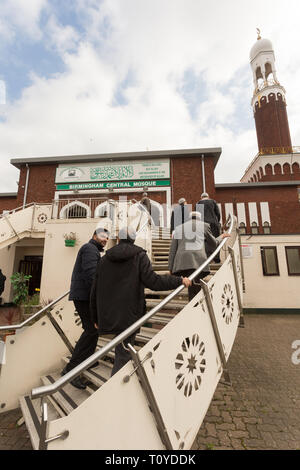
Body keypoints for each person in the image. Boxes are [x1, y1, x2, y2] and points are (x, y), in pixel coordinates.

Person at [90, 227, 191, 376]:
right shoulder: (139, 256)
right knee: (124, 353)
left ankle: (123, 383)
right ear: (133, 239)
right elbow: (154, 282)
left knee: (122, 350)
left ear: (118, 239)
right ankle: (115, 389)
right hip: (130, 313)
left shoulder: (105, 259)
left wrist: (95, 317)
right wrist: (179, 280)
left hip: (109, 313)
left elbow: (94, 289)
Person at [62, 227, 109, 389]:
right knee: (91, 330)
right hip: (84, 297)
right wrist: (99, 297)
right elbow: (91, 275)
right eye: (102, 236)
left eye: (107, 238)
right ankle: (71, 370)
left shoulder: (92, 249)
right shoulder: (90, 249)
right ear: (94, 235)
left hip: (83, 295)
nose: (105, 239)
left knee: (93, 330)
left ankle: (86, 361)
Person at [168, 212, 230, 301]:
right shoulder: (204, 226)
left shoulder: (178, 228)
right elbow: (214, 243)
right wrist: (222, 236)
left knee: (192, 285)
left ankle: (194, 305)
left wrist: (170, 267)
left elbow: (173, 249)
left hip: (182, 262)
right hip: (198, 261)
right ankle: (195, 307)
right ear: (199, 218)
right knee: (195, 286)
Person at [196, 192, 222, 263]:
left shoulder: (198, 203)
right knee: (216, 240)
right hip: (214, 224)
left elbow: (197, 216)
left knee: (205, 241)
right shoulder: (213, 202)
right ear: (208, 196)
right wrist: (217, 221)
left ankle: (207, 258)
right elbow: (218, 213)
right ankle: (216, 258)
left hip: (203, 224)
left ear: (201, 197)